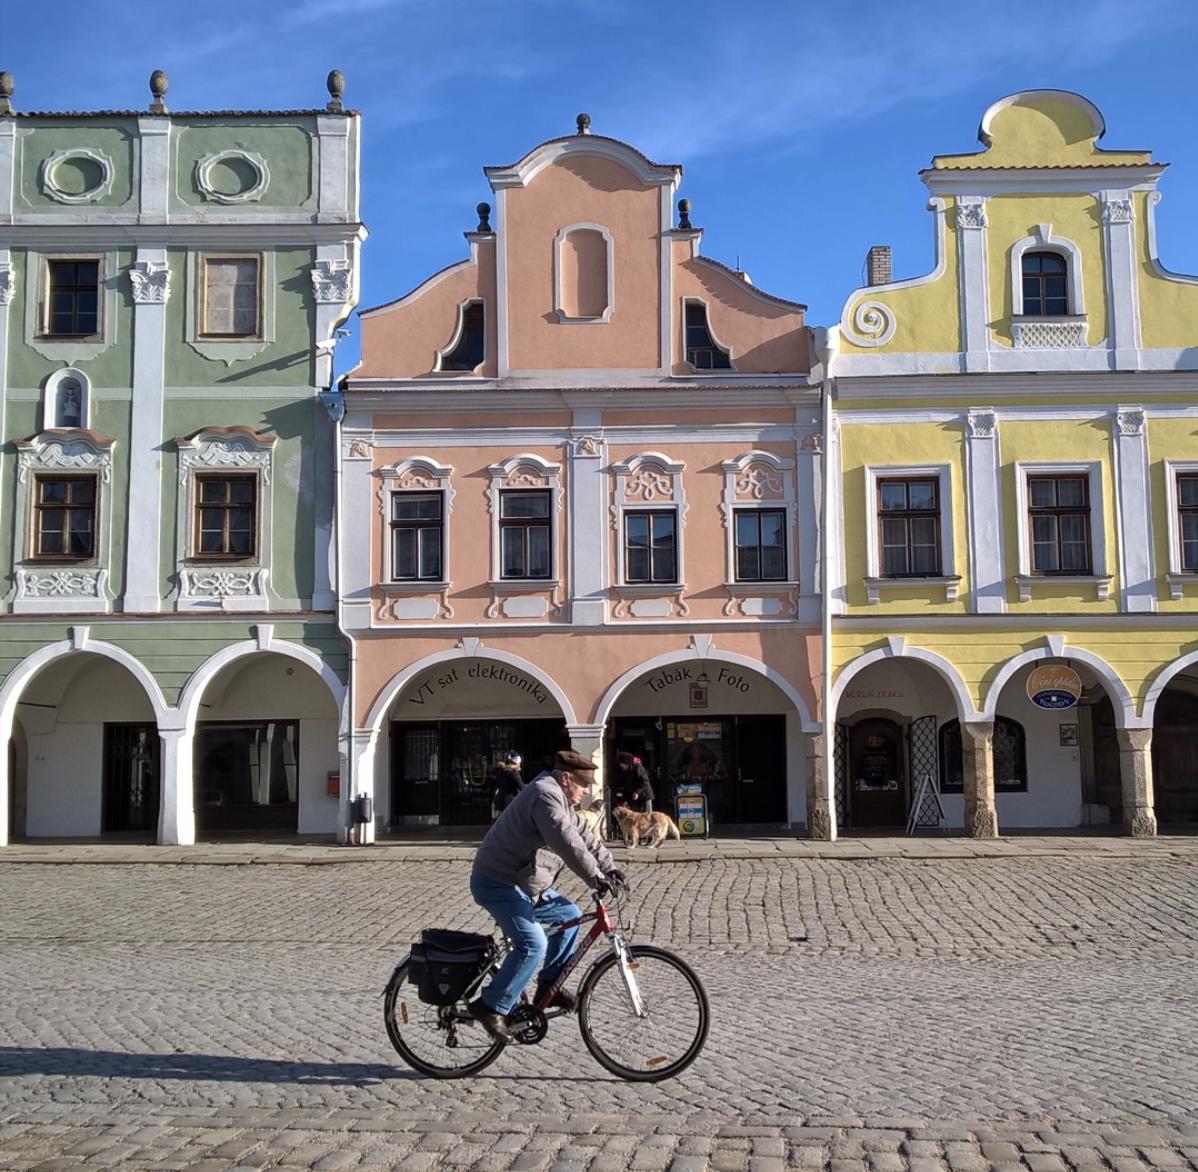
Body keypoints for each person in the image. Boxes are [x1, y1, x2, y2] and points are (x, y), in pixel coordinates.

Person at [468, 748, 628, 1041]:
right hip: (497, 881)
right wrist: (595, 877)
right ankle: (490, 1005)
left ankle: (549, 986)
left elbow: (585, 837)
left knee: (570, 915)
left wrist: (610, 868)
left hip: (524, 883)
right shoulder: (545, 796)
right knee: (533, 944)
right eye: (582, 785)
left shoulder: (562, 798)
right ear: (566, 778)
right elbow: (566, 841)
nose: (585, 792)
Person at [488, 750, 524, 817]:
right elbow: (521, 787)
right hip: (509, 802)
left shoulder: (501, 770)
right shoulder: (513, 773)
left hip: (500, 800)